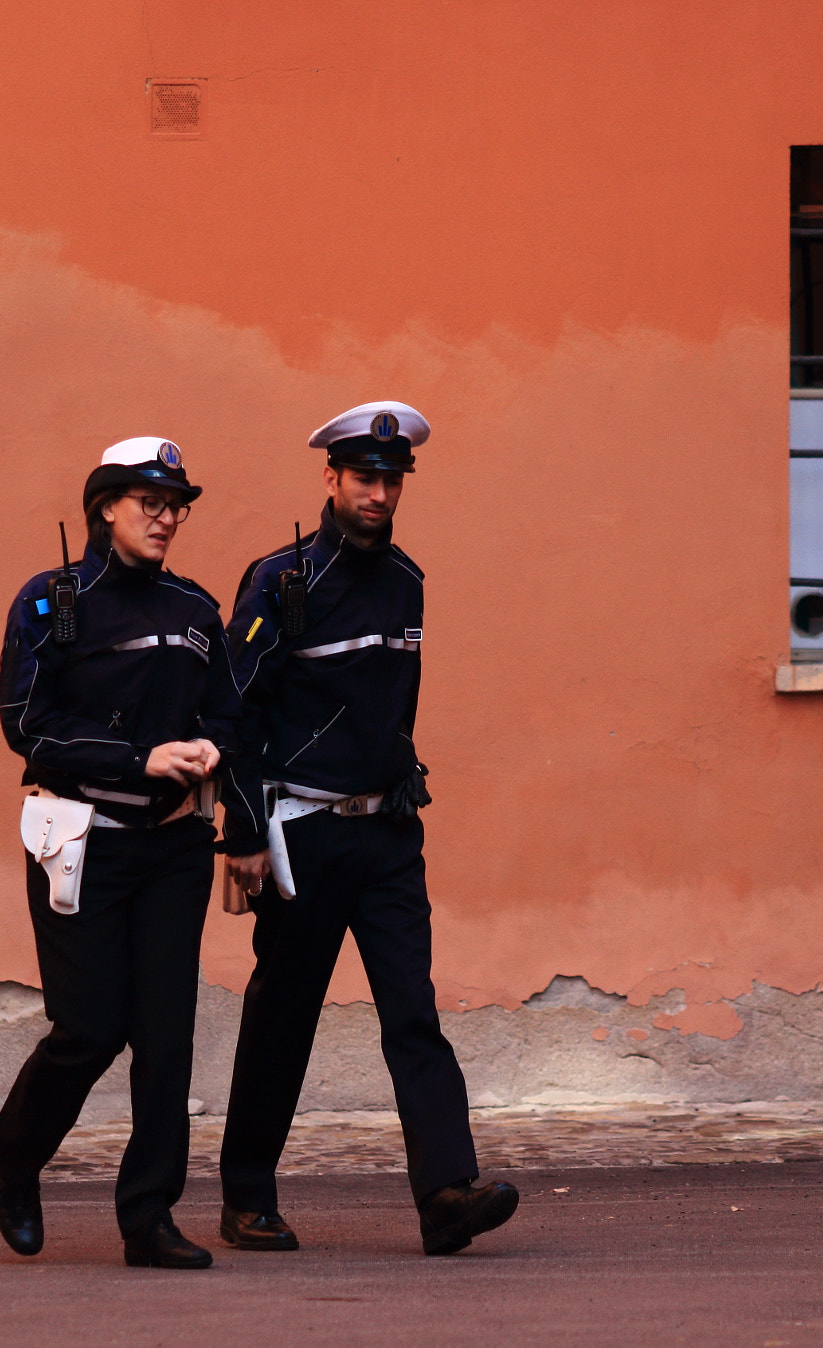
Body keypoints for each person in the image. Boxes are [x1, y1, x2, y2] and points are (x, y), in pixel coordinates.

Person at [215, 400, 519, 1256]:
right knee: (284, 1017)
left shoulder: (409, 581)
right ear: (331, 480)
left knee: (412, 1013)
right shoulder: (281, 583)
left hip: (388, 835)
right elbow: (234, 714)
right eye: (364, 479)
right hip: (303, 836)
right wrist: (240, 832)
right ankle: (247, 1200)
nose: (379, 493)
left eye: (391, 481)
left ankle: (445, 1194)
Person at [0, 436, 237, 1270]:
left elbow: (228, 713)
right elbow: (25, 722)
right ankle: (18, 1160)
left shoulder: (198, 609)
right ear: (105, 507)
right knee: (90, 1027)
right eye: (151, 504)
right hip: (81, 839)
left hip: (171, 846)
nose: (168, 519)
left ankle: (149, 1219)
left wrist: (210, 751)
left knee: (167, 1036)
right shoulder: (52, 600)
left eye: (177, 506)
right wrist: (138, 758)